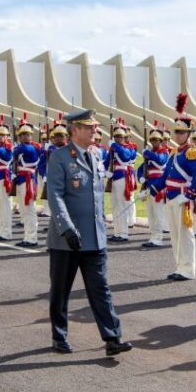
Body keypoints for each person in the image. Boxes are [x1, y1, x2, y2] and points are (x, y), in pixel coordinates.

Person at [45, 108, 132, 356]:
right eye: (89, 127)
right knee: (61, 290)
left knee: (100, 289)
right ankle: (59, 335)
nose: (95, 130)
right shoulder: (59, 157)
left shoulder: (96, 155)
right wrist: (66, 228)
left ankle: (112, 337)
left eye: (95, 126)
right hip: (67, 240)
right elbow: (55, 195)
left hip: (94, 237)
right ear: (74, 130)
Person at [162, 94, 196, 280]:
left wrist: (189, 195)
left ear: (188, 134)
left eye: (181, 132)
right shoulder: (174, 152)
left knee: (185, 235)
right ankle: (180, 266)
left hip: (182, 197)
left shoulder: (192, 151)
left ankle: (187, 269)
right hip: (171, 196)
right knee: (174, 235)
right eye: (176, 132)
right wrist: (153, 188)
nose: (178, 135)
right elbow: (165, 175)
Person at [13, 114, 43, 247]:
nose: (25, 136)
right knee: (24, 209)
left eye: (27, 134)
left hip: (27, 180)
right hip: (21, 179)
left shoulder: (27, 148)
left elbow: (21, 150)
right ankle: (28, 236)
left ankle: (31, 237)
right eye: (22, 134)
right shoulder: (33, 146)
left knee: (29, 209)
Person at [138, 123, 170, 249]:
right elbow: (140, 168)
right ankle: (152, 236)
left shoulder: (164, 152)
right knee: (151, 214)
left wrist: (147, 153)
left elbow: (160, 160)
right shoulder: (149, 153)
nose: (154, 142)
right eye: (152, 140)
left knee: (158, 214)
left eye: (156, 140)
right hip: (148, 186)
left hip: (158, 188)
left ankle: (158, 238)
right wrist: (141, 177)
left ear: (161, 141)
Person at [106, 119, 138, 243]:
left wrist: (114, 145)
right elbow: (107, 161)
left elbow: (125, 157)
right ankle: (117, 232)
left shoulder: (127, 148)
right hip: (113, 178)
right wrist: (102, 171)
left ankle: (124, 233)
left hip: (122, 178)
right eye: (117, 136)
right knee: (114, 206)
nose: (119, 138)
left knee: (122, 206)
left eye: (121, 136)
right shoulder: (114, 148)